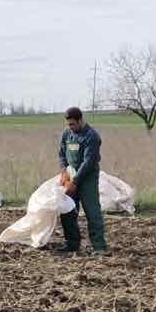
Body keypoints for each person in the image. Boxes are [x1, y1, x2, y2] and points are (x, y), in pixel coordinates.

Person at [55, 106, 107, 255]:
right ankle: (72, 243)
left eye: (72, 124)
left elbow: (89, 162)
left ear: (80, 120)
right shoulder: (67, 134)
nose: (70, 127)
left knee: (92, 211)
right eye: (68, 124)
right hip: (70, 177)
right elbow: (62, 154)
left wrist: (75, 182)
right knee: (68, 210)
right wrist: (64, 172)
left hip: (87, 178)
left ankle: (99, 247)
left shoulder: (92, 136)